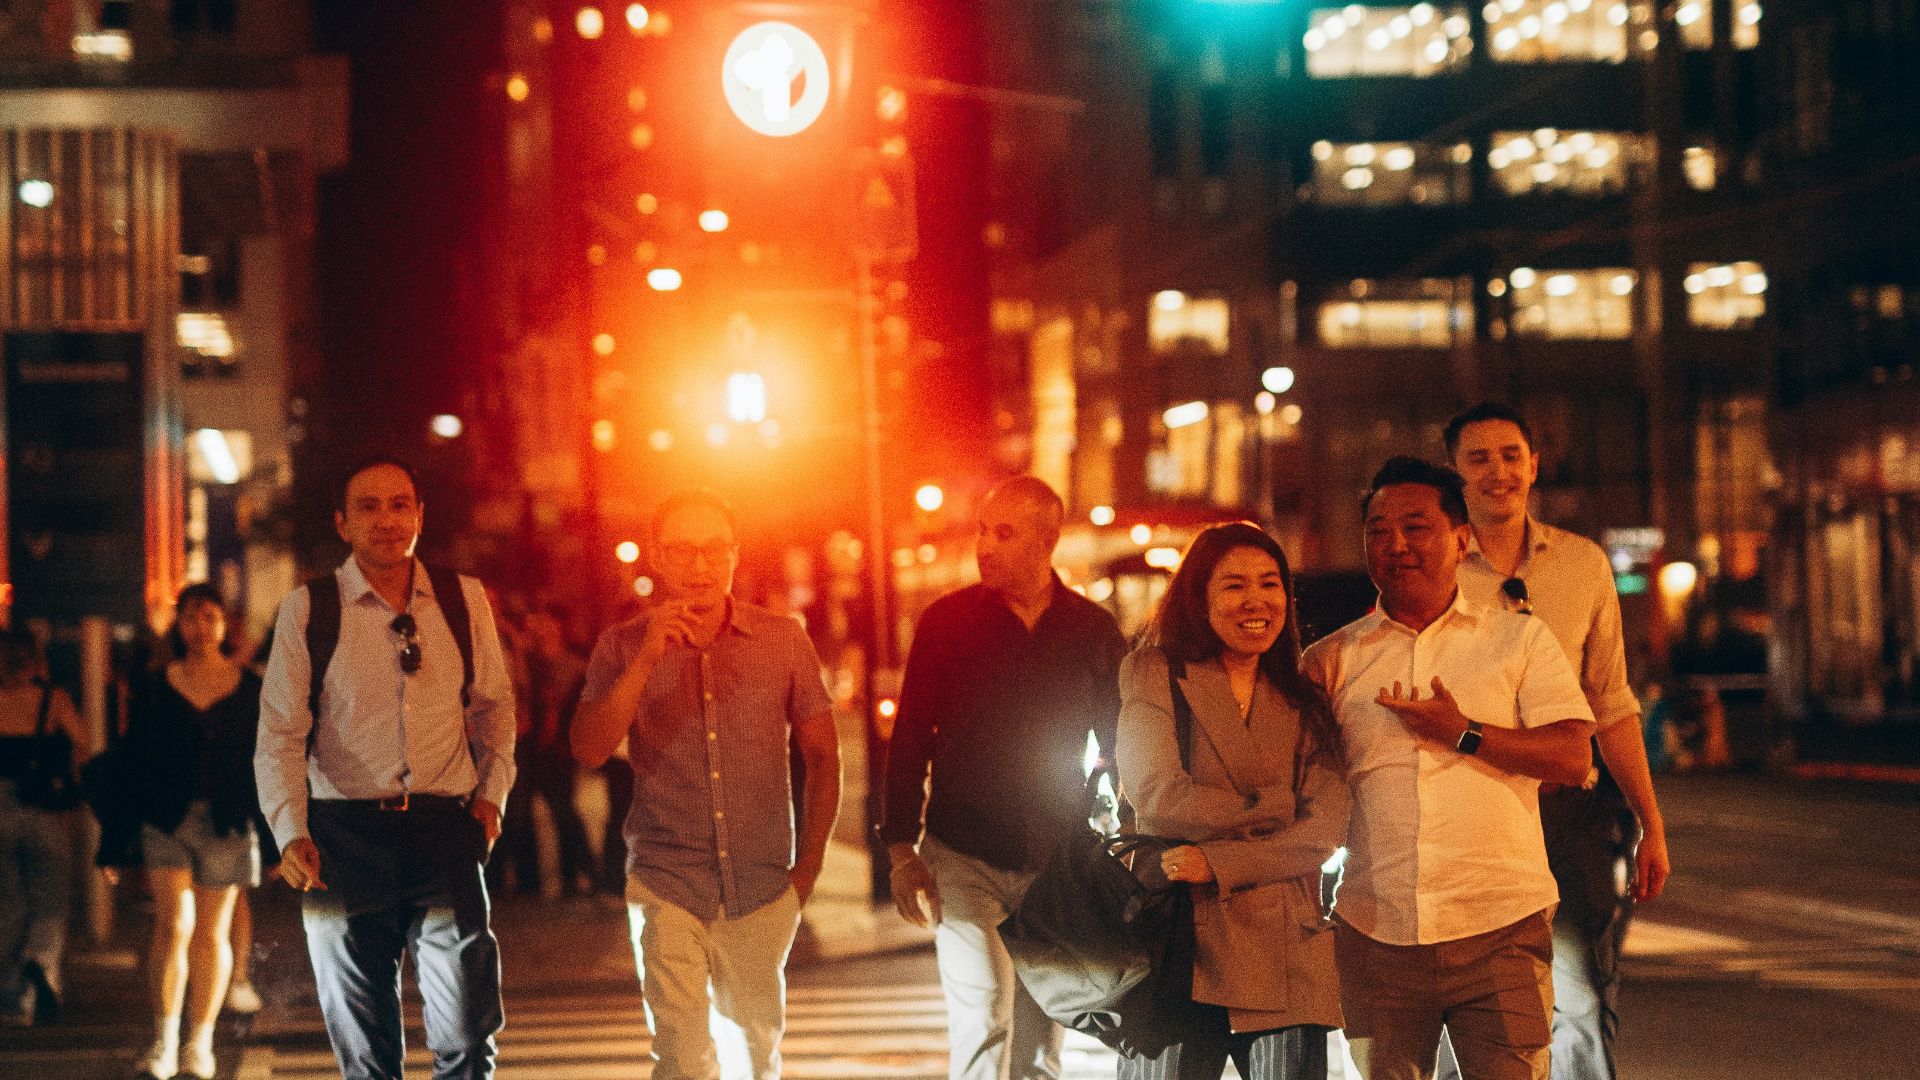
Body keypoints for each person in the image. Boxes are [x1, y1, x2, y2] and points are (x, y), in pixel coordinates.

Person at [1301, 457, 1595, 1080]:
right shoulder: (1329, 660)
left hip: (1500, 924)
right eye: (1378, 530)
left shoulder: (1518, 640)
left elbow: (1572, 757)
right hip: (1375, 926)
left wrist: (1462, 733)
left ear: (1462, 540)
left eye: (1416, 526)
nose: (1396, 545)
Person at [256, 456, 516, 1080]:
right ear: (343, 524)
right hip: (343, 840)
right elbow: (281, 734)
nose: (386, 521)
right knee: (365, 1046)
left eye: (400, 505)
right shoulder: (310, 607)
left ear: (420, 517)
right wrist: (292, 833)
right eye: (368, 507)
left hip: (444, 830)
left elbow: (495, 710)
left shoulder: (462, 598)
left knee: (467, 1035)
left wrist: (491, 799)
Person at [571, 488, 841, 1080]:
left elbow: (822, 755)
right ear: (659, 559)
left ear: (736, 554)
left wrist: (809, 866)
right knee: (681, 1053)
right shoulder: (622, 644)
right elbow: (589, 748)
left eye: (714, 548)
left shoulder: (781, 639)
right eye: (683, 551)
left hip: (762, 883)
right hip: (667, 877)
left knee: (753, 1052)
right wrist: (645, 661)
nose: (700, 564)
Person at [1443, 403, 1671, 1080]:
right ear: (1455, 473)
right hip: (1472, 818)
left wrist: (1651, 822)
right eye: (1478, 458)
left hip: (1570, 816)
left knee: (1579, 997)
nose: (1498, 472)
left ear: (1534, 465)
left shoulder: (1582, 564)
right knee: (1470, 1001)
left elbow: (1611, 701)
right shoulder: (1436, 569)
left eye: (1511, 455)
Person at [880, 476, 1127, 1080]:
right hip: (962, 853)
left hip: (1055, 859)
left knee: (1042, 1035)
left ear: (1047, 537)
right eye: (982, 530)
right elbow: (911, 736)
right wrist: (899, 849)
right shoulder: (946, 623)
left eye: (1004, 532)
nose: (984, 545)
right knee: (985, 1011)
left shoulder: (1092, 631)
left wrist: (1128, 830)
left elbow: (1122, 742)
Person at [1115, 522, 1350, 1080]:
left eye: (1270, 584)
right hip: (1177, 941)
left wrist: (1216, 862)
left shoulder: (1305, 693)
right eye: (1234, 586)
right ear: (1199, 596)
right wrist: (1273, 809)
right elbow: (1156, 795)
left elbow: (1324, 828)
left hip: (1285, 947)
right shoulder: (1156, 671)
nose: (1256, 602)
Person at [103, 583, 266, 1079]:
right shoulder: (154, 683)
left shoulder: (251, 685)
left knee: (212, 933)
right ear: (178, 624)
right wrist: (116, 839)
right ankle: (163, 1041)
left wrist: (279, 838)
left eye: (211, 616)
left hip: (228, 819)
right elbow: (133, 760)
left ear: (226, 624)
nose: (201, 626)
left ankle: (200, 1042)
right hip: (165, 817)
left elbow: (264, 763)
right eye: (192, 616)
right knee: (174, 924)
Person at [0, 629, 89, 1026]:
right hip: (46, 811)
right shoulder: (53, 700)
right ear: (34, 661)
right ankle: (40, 969)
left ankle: (9, 984)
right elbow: (83, 744)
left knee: (9, 902)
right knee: (51, 900)